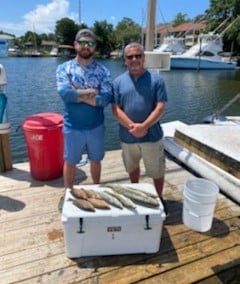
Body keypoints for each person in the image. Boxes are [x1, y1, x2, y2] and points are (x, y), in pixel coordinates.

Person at [112, 42, 168, 214]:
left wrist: (144, 126)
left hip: (152, 137)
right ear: (125, 60)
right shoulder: (118, 82)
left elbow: (160, 107)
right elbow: (115, 109)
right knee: (132, 167)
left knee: (156, 170)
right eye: (130, 57)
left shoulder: (157, 80)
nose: (134, 59)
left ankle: (159, 199)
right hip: (128, 137)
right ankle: (135, 193)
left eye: (138, 55)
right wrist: (133, 127)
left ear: (144, 58)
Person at [56, 29, 112, 189]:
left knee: (96, 160)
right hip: (72, 127)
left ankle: (96, 189)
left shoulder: (104, 71)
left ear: (94, 47)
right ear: (75, 45)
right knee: (71, 161)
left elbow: (105, 99)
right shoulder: (63, 68)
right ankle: (68, 192)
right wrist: (92, 92)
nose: (85, 46)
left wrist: (78, 93)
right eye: (82, 42)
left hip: (96, 126)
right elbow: (65, 94)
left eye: (90, 43)